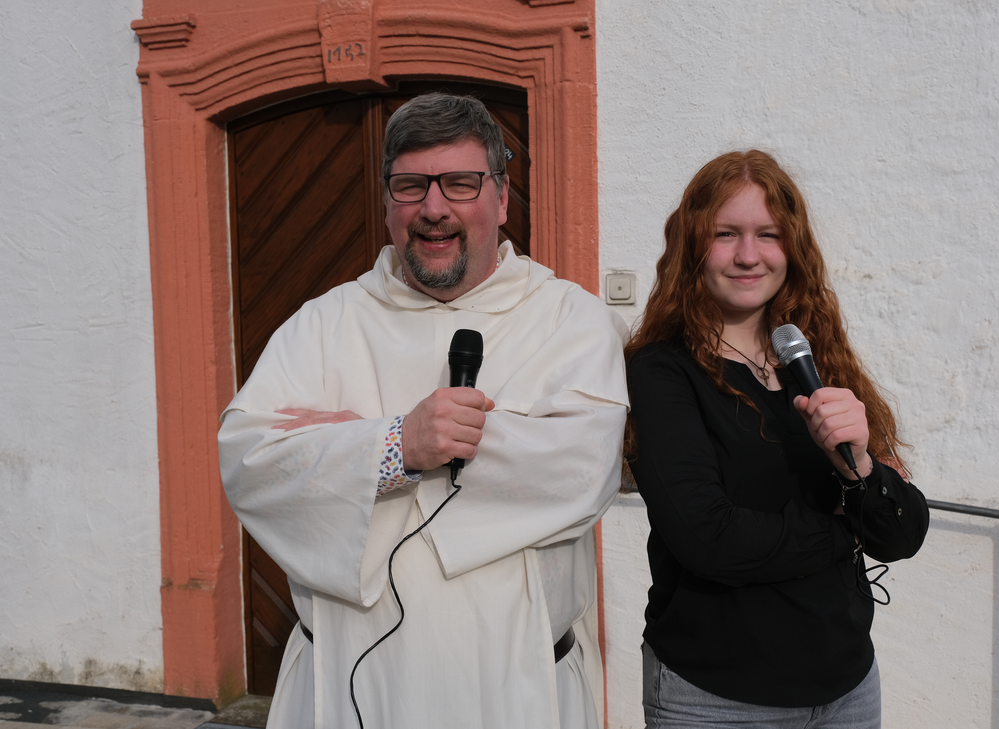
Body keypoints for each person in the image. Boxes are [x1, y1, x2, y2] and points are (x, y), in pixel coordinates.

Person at [218, 93, 629, 729]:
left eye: (460, 184)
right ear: (387, 202)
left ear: (501, 196)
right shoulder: (325, 324)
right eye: (410, 186)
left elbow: (582, 469)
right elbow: (250, 463)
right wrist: (393, 445)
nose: (433, 209)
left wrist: (346, 448)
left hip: (515, 681)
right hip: (350, 676)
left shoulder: (569, 320)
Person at [625, 150, 929, 728]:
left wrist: (860, 465)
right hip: (717, 698)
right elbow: (709, 538)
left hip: (847, 688)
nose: (748, 255)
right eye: (725, 234)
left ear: (792, 248)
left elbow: (900, 533)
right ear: (693, 245)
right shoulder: (663, 371)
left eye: (768, 234)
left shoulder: (815, 358)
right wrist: (846, 530)